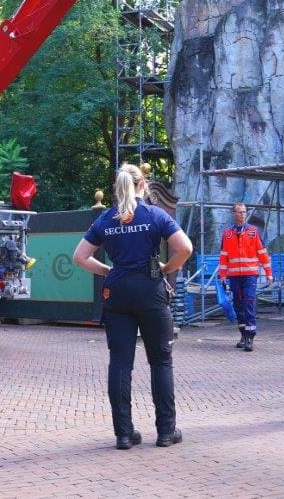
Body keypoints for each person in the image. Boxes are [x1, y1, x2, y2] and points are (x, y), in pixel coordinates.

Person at [73, 163, 192, 450]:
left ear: (118, 187)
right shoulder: (154, 214)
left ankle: (124, 434)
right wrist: (166, 269)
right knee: (161, 361)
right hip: (150, 291)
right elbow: (185, 248)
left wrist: (108, 271)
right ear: (142, 185)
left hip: (117, 293)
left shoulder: (105, 219)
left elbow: (80, 256)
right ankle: (166, 432)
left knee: (120, 363)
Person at [218, 202, 273, 351]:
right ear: (234, 214)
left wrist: (269, 274)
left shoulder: (253, 232)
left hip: (250, 275)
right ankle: (243, 335)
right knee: (238, 305)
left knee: (248, 303)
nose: (242, 214)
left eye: (244, 212)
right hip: (234, 276)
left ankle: (250, 337)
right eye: (239, 212)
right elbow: (223, 256)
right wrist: (222, 276)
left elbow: (263, 254)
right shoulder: (227, 234)